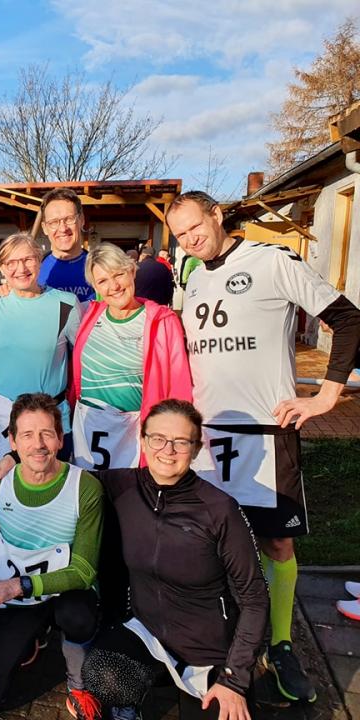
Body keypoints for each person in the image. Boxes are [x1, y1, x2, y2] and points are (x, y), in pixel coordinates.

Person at [166, 190, 360, 703]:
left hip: (266, 433)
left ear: (217, 214)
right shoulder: (193, 275)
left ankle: (280, 644)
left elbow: (349, 319)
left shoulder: (271, 260)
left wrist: (327, 396)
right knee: (213, 543)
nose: (190, 239)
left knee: (277, 544)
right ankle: (227, 636)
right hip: (208, 439)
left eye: (195, 227)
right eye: (181, 235)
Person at [82, 399, 269, 720]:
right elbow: (59, 477)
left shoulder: (220, 510)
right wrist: (12, 458)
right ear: (142, 440)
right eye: (158, 438)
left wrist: (235, 679)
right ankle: (133, 699)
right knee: (103, 674)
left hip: (210, 653)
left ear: (196, 449)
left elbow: (255, 598)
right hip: (149, 633)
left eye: (181, 442)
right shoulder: (121, 485)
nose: (168, 450)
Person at [0, 393, 103, 719]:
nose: (38, 444)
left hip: (62, 594)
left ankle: (78, 681)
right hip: (17, 600)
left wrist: (17, 585)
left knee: (78, 616)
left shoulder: (85, 487)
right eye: (27, 435)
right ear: (12, 442)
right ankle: (33, 638)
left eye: (46, 434)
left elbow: (84, 571)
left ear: (60, 439)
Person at [70, 242, 191, 471]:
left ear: (132, 271)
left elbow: (179, 385)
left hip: (134, 434)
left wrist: (176, 437)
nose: (114, 286)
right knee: (89, 493)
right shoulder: (90, 314)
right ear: (95, 286)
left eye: (119, 274)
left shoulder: (162, 321)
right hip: (87, 431)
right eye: (102, 281)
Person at [0, 232, 80, 469]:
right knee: (0, 486)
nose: (21, 268)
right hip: (1, 417)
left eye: (27, 259)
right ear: (1, 268)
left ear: (39, 261)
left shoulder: (66, 304)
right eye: (11, 262)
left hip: (48, 419)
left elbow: (83, 358)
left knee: (50, 485)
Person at [36, 188, 95, 304]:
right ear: (44, 228)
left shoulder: (99, 267)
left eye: (69, 219)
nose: (63, 229)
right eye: (53, 222)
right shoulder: (34, 270)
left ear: (81, 220)